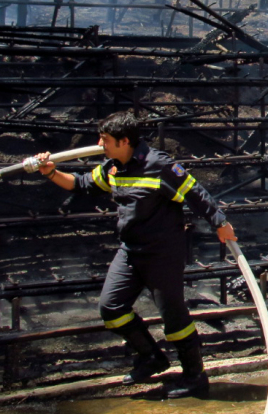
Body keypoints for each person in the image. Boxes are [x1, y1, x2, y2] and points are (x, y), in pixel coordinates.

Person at [34, 110, 236, 398]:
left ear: (124, 140)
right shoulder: (113, 166)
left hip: (162, 254)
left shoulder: (159, 165)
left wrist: (221, 224)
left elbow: (196, 193)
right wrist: (51, 172)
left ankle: (195, 377)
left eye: (104, 140)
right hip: (130, 251)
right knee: (111, 308)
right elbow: (80, 184)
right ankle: (152, 358)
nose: (100, 144)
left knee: (174, 319)